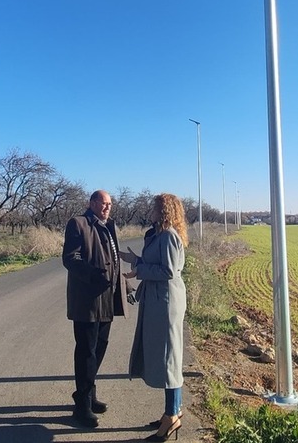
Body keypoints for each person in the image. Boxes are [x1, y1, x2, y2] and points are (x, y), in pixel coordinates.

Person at [121, 193, 188, 442]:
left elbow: (169, 271)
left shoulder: (169, 235)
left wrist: (138, 270)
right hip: (159, 300)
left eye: (154, 207)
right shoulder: (161, 234)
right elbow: (157, 264)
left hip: (166, 303)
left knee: (169, 358)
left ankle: (172, 416)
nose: (150, 210)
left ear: (164, 210)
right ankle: (173, 411)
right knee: (168, 356)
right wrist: (135, 260)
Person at [62, 189, 127, 428]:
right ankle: (82, 406)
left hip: (107, 299)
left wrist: (124, 286)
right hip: (87, 300)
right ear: (92, 203)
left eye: (110, 203)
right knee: (86, 351)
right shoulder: (78, 224)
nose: (107, 207)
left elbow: (114, 260)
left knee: (100, 347)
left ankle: (88, 394)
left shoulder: (109, 225)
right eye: (103, 203)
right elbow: (71, 258)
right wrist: (93, 275)